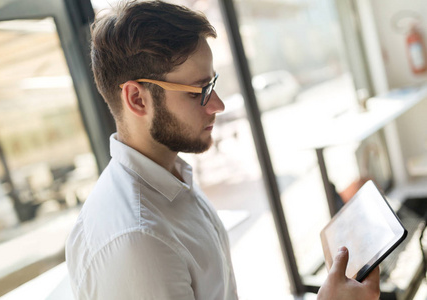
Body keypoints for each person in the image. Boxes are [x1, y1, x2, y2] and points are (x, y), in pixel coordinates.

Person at [65, 1, 380, 299]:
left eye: (212, 85)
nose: (218, 105)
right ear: (137, 99)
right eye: (199, 92)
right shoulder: (139, 240)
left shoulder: (171, 180)